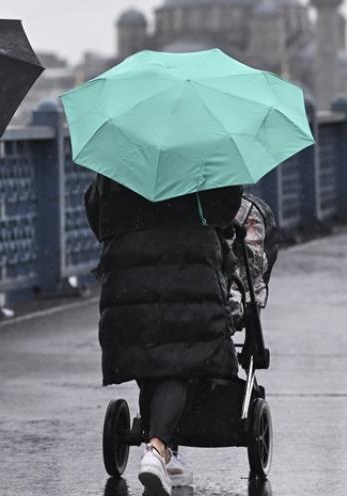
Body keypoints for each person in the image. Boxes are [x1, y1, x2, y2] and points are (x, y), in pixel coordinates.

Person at [86, 175, 243, 496]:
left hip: (127, 270)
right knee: (178, 362)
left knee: (150, 357)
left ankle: (165, 451)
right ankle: (156, 447)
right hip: (187, 265)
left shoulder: (121, 158)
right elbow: (224, 207)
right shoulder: (199, 155)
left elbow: (96, 213)